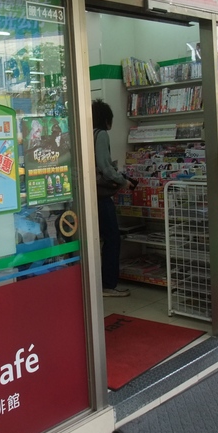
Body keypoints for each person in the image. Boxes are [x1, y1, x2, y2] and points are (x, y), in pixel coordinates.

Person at [92, 99, 133, 297]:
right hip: (100, 196)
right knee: (112, 237)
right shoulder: (101, 135)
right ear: (106, 119)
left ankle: (96, 283)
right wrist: (122, 181)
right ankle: (108, 284)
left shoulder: (86, 133)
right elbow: (105, 167)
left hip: (88, 196)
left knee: (96, 239)